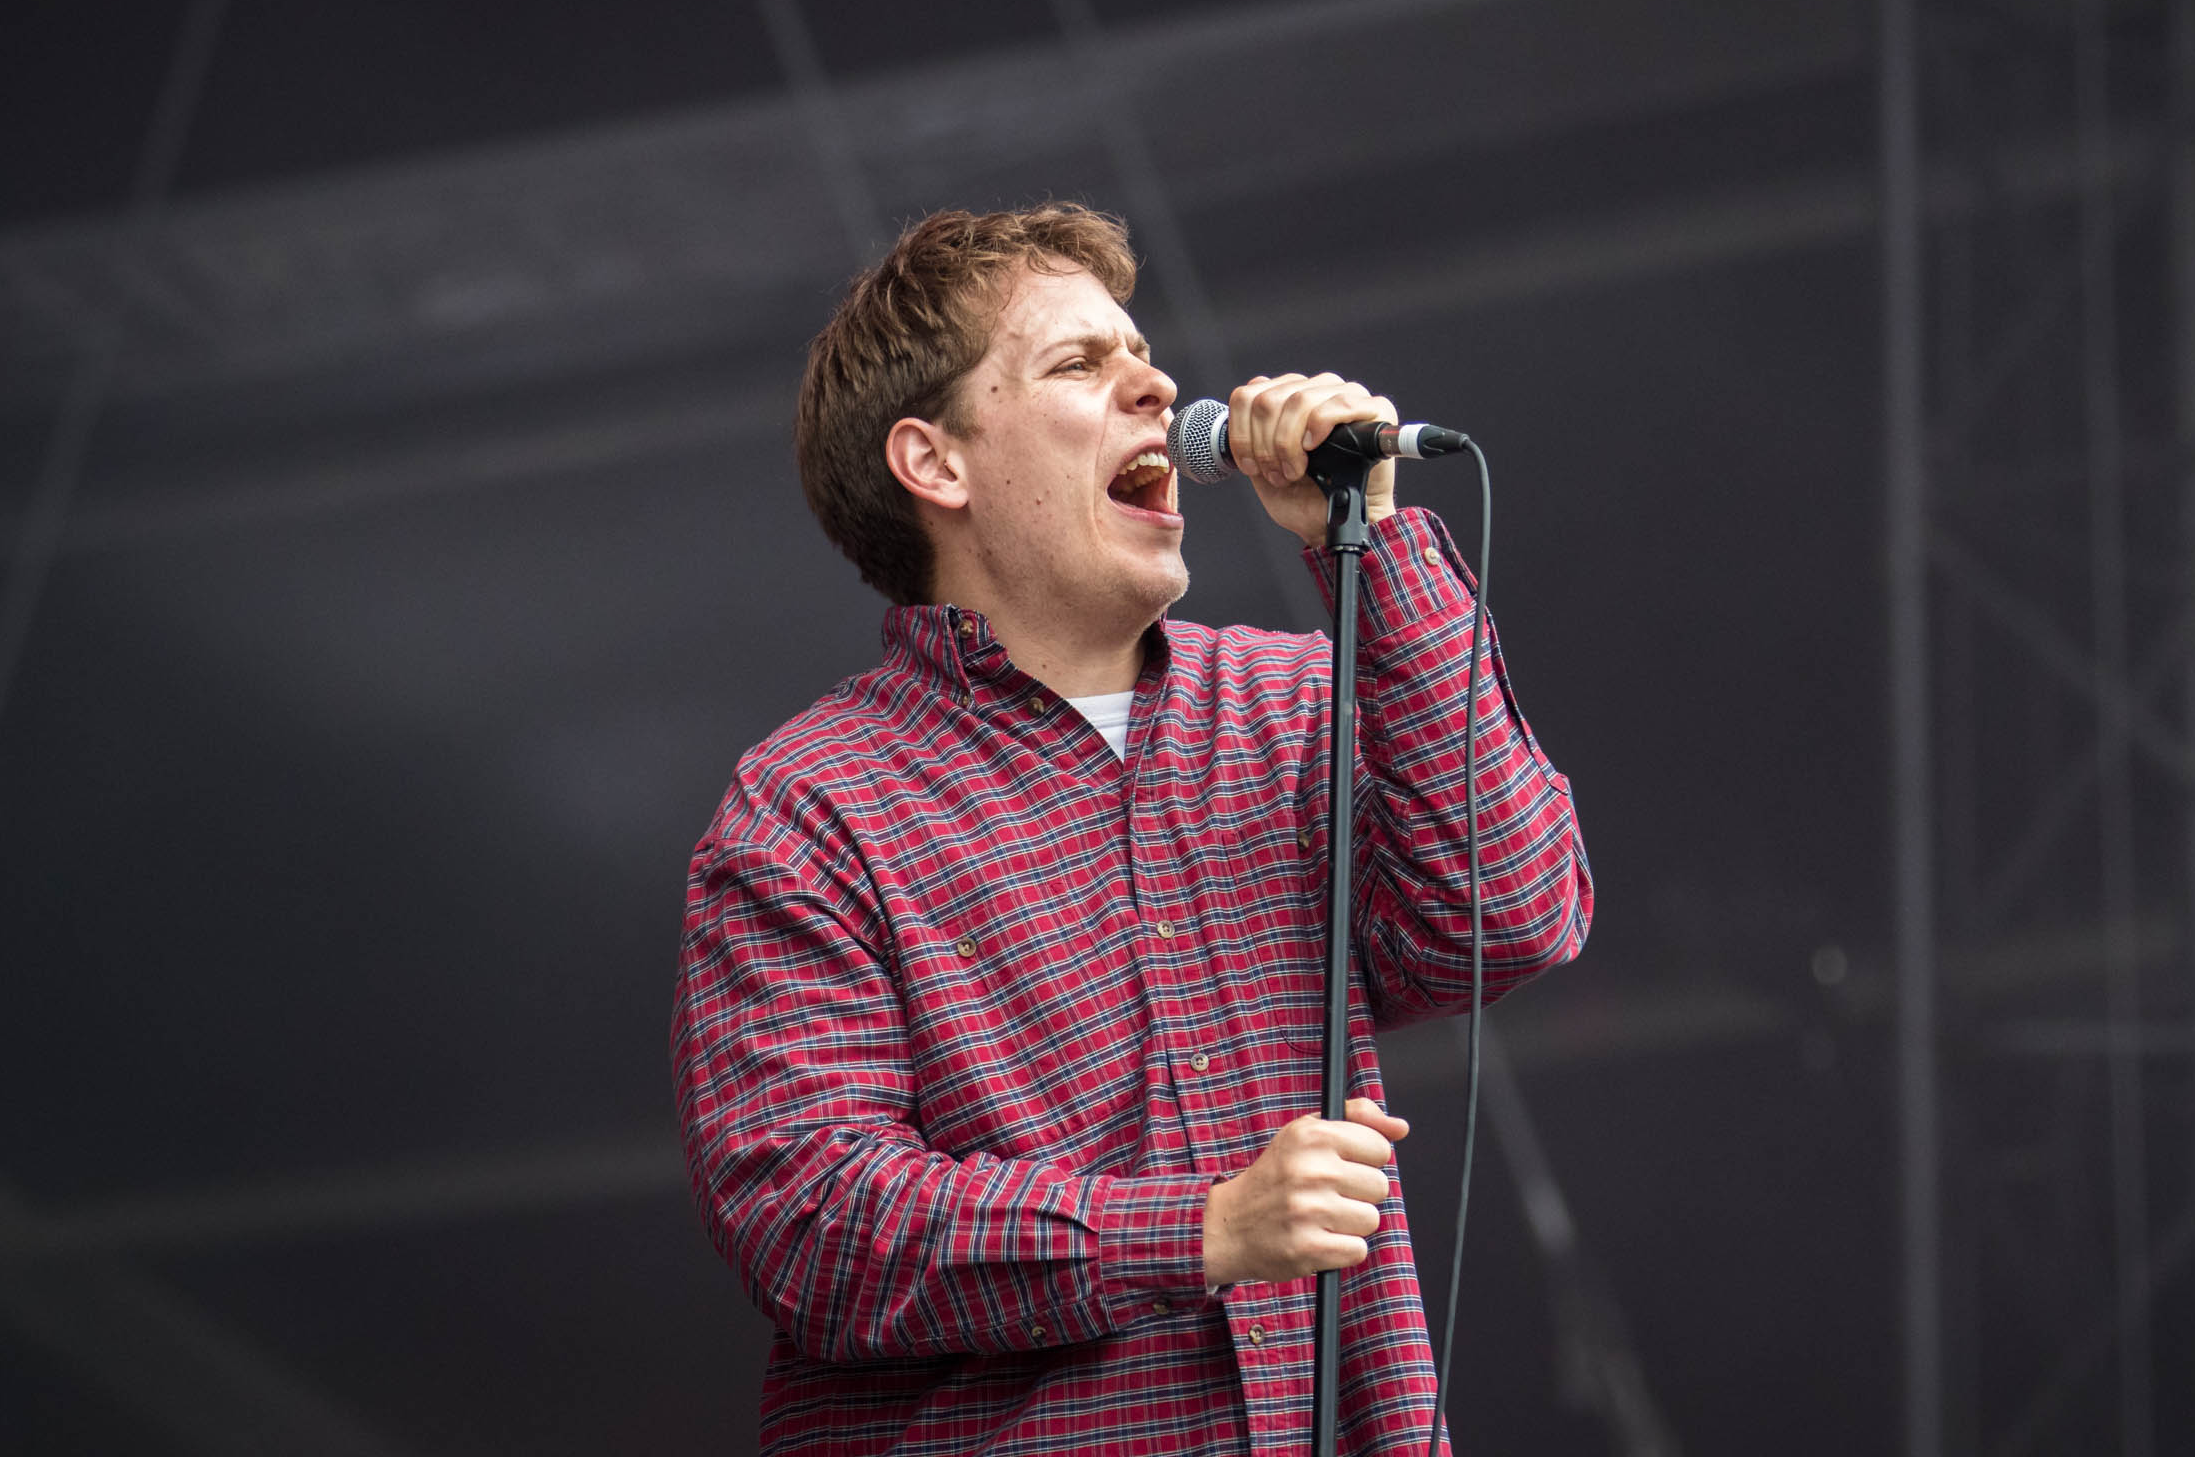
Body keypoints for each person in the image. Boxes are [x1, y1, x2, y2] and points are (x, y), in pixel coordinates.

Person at [670, 202, 1591, 1455]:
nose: (1156, 384)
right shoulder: (813, 805)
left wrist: (1363, 547)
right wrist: (1203, 1229)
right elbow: (815, 1223)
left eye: (1142, 353)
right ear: (935, 465)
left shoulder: (1290, 698)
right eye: (1078, 365)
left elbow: (1512, 914)